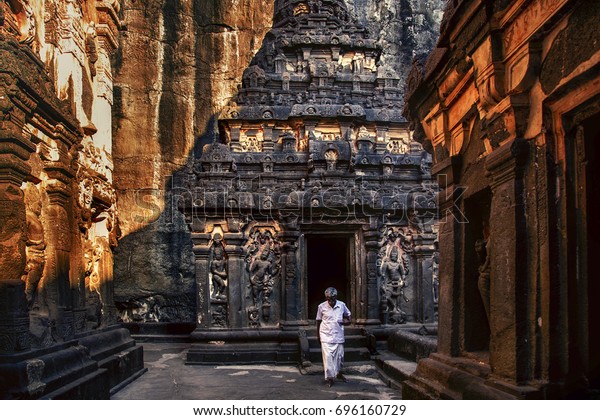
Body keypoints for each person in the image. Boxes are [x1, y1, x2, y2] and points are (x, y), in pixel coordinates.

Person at [316, 287, 352, 387]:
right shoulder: (321, 306)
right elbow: (318, 321)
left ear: (336, 297)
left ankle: (338, 373)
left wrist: (346, 322)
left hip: (338, 334)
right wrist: (318, 336)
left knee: (340, 356)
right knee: (328, 357)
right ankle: (330, 378)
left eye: (332, 299)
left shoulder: (342, 305)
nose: (331, 301)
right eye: (329, 299)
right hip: (325, 334)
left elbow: (349, 316)